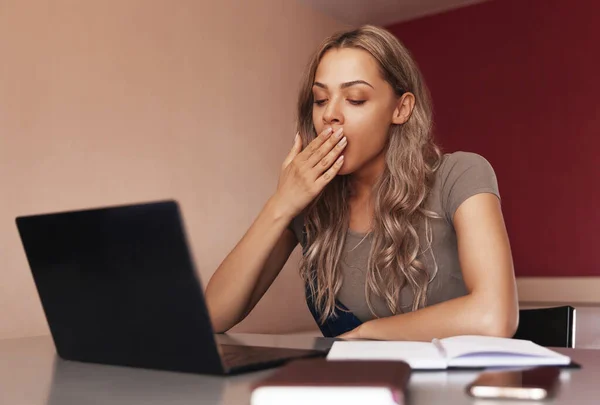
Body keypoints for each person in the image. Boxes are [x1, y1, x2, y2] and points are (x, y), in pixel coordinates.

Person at [205, 25, 518, 341]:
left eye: (355, 99)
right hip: (352, 390)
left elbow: (494, 316)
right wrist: (279, 205)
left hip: (453, 389)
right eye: (320, 99)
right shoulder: (307, 203)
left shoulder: (460, 174)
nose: (331, 114)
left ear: (401, 108)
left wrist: (365, 334)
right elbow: (212, 317)